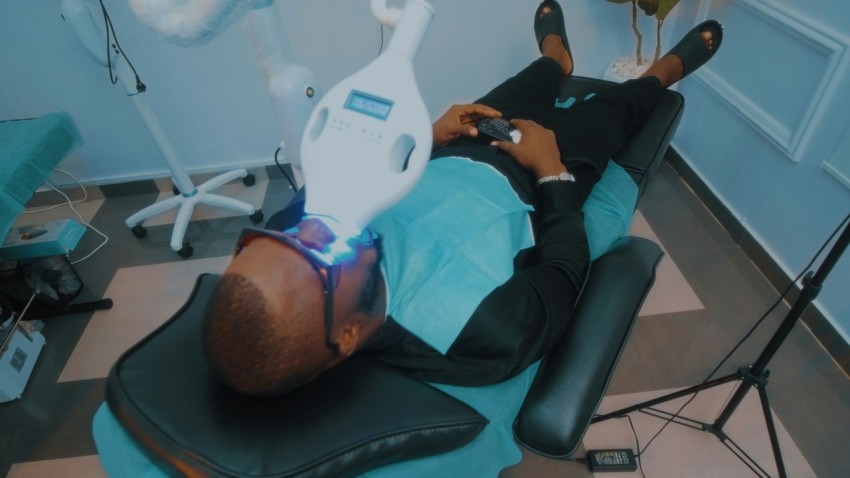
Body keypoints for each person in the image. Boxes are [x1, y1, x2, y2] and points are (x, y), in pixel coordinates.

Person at [202, 1, 723, 396]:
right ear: (348, 335)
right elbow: (564, 271)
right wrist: (550, 170)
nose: (317, 225)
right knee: (614, 112)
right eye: (320, 258)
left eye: (275, 237)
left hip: (454, 149)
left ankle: (554, 59)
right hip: (533, 175)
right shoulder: (484, 332)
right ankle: (658, 75)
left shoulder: (299, 228)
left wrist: (430, 136)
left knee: (515, 90)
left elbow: (347, 176)